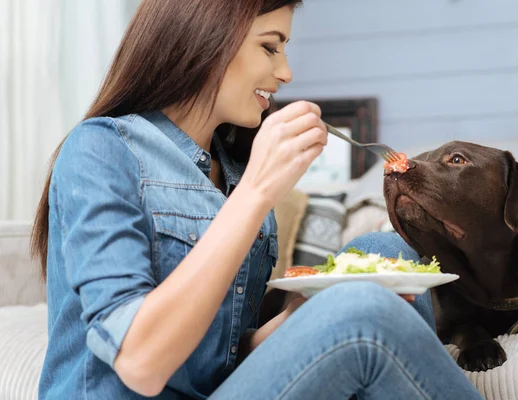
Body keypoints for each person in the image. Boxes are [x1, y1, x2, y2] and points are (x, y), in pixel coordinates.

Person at [31, 0, 484, 399]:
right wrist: (255, 192)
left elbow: (220, 361)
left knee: (383, 254)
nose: (285, 73)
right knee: (362, 312)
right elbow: (141, 365)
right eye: (270, 46)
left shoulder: (231, 170)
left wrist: (309, 315)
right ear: (204, 37)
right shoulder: (101, 149)